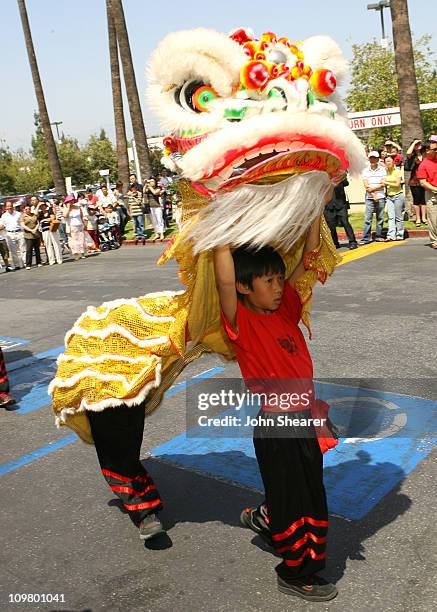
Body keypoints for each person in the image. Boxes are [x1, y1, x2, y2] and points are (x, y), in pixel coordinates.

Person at [213, 213, 338, 602]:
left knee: (308, 493)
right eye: (268, 281)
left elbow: (309, 256)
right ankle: (295, 571)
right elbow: (222, 280)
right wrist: (220, 231)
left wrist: (317, 204)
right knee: (296, 501)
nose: (279, 286)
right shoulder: (242, 322)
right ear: (244, 287)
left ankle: (267, 517)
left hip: (305, 420)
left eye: (279, 278)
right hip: (277, 428)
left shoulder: (285, 310)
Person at [324, 177, 358, 249]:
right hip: (329, 206)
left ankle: (353, 242)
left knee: (345, 223)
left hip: (341, 204)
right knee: (331, 226)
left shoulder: (339, 175)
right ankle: (335, 243)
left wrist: (340, 178)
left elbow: (346, 183)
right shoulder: (323, 177)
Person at [360, 151, 387, 244]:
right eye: (371, 158)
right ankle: (365, 238)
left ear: (378, 159)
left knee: (380, 218)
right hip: (369, 197)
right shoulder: (365, 170)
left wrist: (374, 189)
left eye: (374, 158)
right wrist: (374, 195)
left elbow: (383, 184)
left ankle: (378, 236)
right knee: (368, 219)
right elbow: (366, 185)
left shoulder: (383, 170)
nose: (373, 160)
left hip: (381, 197)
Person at [417, 142, 437, 249]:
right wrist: (435, 189)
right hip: (432, 193)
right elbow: (423, 182)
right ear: (428, 151)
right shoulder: (423, 164)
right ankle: (435, 240)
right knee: (434, 218)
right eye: (435, 149)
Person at [382, 156, 405, 241]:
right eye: (386, 161)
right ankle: (391, 235)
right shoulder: (385, 172)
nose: (388, 163)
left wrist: (386, 182)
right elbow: (383, 183)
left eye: (390, 161)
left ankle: (400, 234)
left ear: (393, 162)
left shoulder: (397, 171)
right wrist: (385, 183)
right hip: (389, 196)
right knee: (391, 216)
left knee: (399, 216)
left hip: (398, 195)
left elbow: (397, 184)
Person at [405, 139, 427, 226]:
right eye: (416, 145)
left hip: (425, 180)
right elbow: (408, 153)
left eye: (419, 144)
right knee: (417, 200)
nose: (418, 145)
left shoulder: (425, 154)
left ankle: (424, 218)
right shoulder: (412, 156)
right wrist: (414, 143)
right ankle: (418, 218)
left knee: (424, 200)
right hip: (415, 181)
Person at [0, 200, 25, 269]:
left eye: (11, 206)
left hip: (19, 232)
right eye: (8, 206)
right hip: (10, 234)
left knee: (23, 249)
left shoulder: (18, 214)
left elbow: (22, 223)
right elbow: (2, 225)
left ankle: (25, 263)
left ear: (13, 206)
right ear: (5, 207)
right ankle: (17, 265)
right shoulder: (4, 216)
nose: (10, 207)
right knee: (13, 251)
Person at [36, 201, 63, 265]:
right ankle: (51, 260)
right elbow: (35, 216)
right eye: (41, 206)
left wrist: (44, 220)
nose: (42, 207)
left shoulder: (49, 210)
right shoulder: (40, 213)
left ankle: (59, 259)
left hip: (52, 229)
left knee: (56, 244)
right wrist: (37, 206)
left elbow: (52, 218)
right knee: (48, 245)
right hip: (45, 231)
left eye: (43, 205)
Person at [64, 195, 88, 260]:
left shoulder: (78, 207)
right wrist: (68, 208)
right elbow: (65, 216)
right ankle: (76, 254)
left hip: (80, 225)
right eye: (69, 201)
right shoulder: (66, 209)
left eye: (71, 201)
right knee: (74, 241)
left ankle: (82, 253)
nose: (70, 202)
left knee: (82, 239)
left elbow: (81, 216)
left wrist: (84, 224)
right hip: (72, 226)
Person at [20, 203, 42, 269]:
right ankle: (28, 264)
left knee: (37, 249)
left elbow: (38, 222)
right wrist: (31, 230)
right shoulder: (22, 216)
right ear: (24, 210)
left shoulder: (33, 215)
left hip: (36, 234)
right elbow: (23, 225)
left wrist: (35, 229)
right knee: (29, 250)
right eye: (26, 209)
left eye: (29, 209)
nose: (28, 210)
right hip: (28, 235)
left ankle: (39, 262)